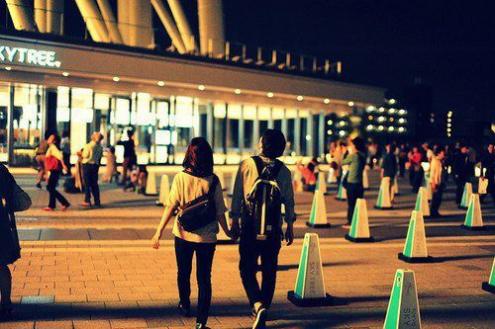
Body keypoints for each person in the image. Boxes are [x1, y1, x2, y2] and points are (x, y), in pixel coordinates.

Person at [152, 137, 231, 329]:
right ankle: (201, 322)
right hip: (207, 238)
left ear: (190, 154)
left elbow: (171, 206)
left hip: (183, 234)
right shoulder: (213, 180)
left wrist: (158, 232)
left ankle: (184, 304)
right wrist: (228, 231)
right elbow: (220, 211)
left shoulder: (181, 177)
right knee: (204, 278)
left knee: (183, 272)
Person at [231, 129, 295, 329]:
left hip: (249, 226)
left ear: (262, 144)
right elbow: (289, 202)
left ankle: (257, 304)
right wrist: (290, 226)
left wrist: (234, 221)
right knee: (269, 269)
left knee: (246, 268)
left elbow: (237, 196)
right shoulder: (284, 171)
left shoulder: (246, 165)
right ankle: (265, 305)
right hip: (273, 227)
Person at [0, 164, 21, 320]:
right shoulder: (1, 170)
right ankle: (6, 304)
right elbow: (12, 193)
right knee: (1, 265)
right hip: (1, 221)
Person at [341, 137, 367, 226]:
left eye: (351, 145)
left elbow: (342, 162)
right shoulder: (363, 155)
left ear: (355, 146)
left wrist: (345, 152)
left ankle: (350, 221)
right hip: (359, 183)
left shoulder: (353, 156)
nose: (350, 146)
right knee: (358, 204)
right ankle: (358, 220)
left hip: (351, 183)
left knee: (351, 204)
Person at [43, 133, 70, 211]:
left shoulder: (53, 147)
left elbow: (60, 156)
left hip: (54, 170)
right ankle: (53, 205)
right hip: (53, 170)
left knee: (50, 187)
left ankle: (61, 203)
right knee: (51, 187)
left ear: (54, 141)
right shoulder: (51, 147)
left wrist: (64, 165)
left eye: (51, 138)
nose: (48, 139)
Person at [81, 132, 104, 208]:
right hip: (95, 165)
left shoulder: (89, 146)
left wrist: (80, 153)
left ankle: (87, 200)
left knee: (87, 183)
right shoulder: (100, 147)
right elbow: (100, 157)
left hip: (87, 165)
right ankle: (97, 201)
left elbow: (85, 155)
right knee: (94, 184)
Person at [430, 147, 447, 217]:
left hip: (440, 182)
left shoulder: (440, 161)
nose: (444, 155)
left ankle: (435, 211)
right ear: (439, 153)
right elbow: (432, 173)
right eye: (443, 153)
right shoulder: (435, 161)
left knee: (438, 198)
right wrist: (433, 182)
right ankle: (433, 212)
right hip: (436, 182)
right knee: (435, 198)